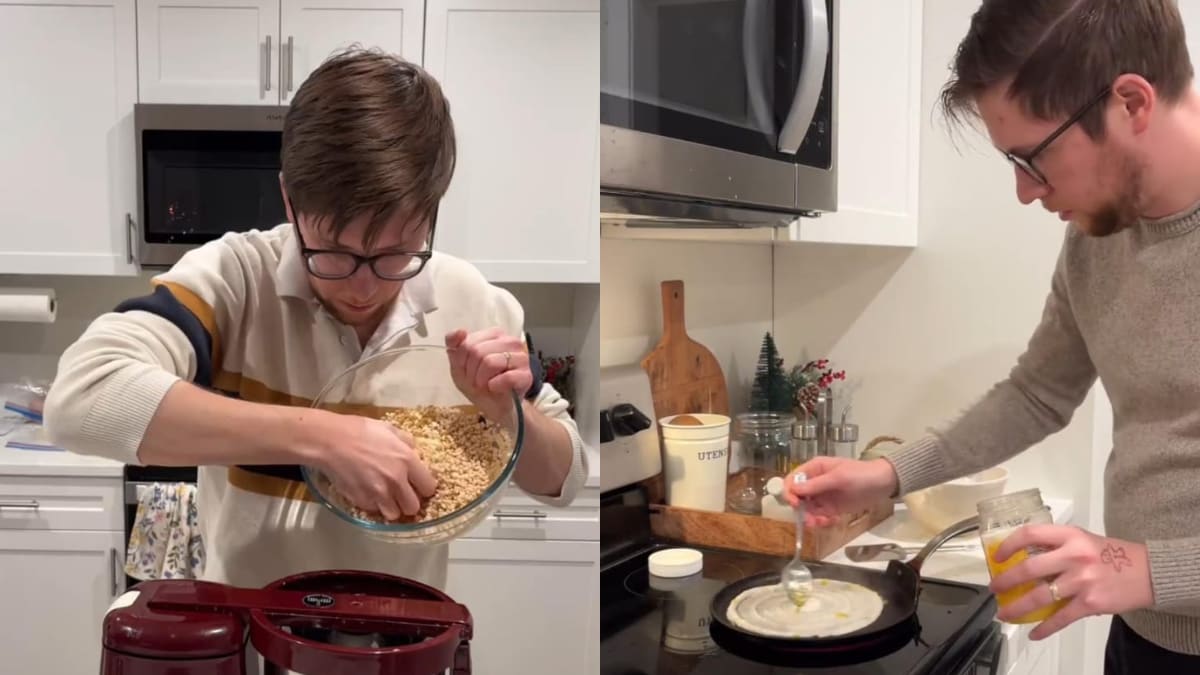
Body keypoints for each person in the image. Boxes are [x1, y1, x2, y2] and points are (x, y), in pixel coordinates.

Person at [43, 47, 587, 590]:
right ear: (288, 200)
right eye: (333, 250)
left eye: (397, 252)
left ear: (433, 209)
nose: (364, 285)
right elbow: (80, 400)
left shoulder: (477, 302)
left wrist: (510, 412)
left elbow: (566, 479)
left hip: (405, 637)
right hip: (253, 639)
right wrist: (323, 438)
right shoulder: (234, 278)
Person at [784, 0, 1200, 671]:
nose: (1023, 191)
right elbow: (1037, 394)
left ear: (1131, 103)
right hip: (1142, 641)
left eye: (1032, 158)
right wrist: (888, 475)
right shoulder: (1097, 244)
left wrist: (1149, 569)